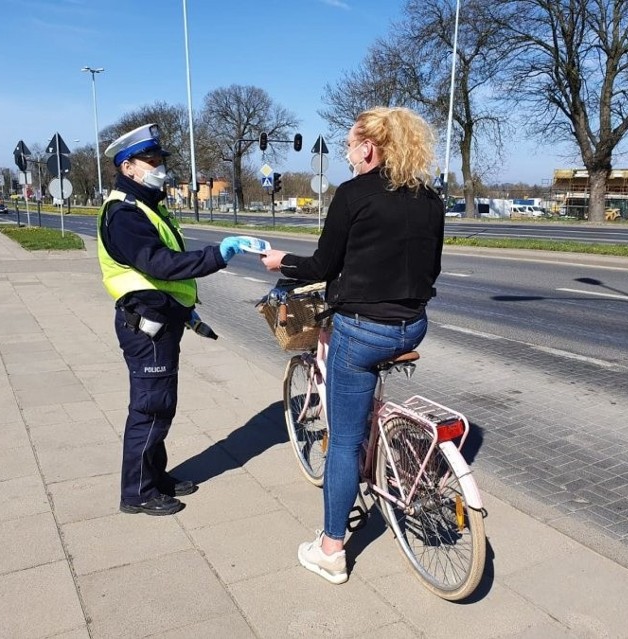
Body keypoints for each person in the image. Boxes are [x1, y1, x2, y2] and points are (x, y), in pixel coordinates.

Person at [261, 107, 445, 583]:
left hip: (364, 330)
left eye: (349, 145)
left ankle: (330, 550)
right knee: (359, 383)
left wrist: (283, 261)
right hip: (413, 325)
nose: (346, 153)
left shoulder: (354, 194)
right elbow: (430, 268)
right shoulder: (430, 197)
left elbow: (322, 264)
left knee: (342, 441)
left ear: (369, 146)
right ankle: (385, 443)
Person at [97, 123, 250, 516]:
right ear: (127, 166)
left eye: (159, 160)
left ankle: (156, 476)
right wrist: (217, 256)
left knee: (160, 405)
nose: (158, 166)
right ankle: (138, 492)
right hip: (146, 327)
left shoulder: (147, 206)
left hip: (161, 321)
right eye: (150, 161)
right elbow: (159, 264)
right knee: (150, 408)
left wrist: (186, 310)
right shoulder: (125, 214)